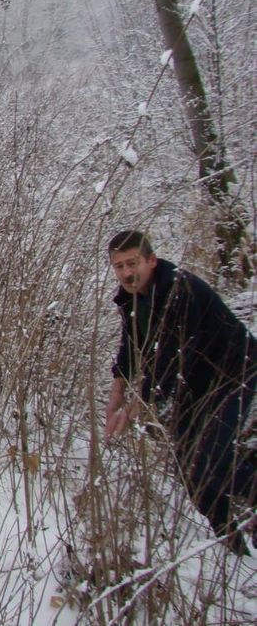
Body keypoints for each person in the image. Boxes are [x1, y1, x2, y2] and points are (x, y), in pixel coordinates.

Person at [104, 230, 257, 551]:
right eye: (119, 266)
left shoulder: (179, 289)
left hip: (233, 373)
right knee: (189, 467)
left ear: (151, 260)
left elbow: (174, 354)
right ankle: (234, 548)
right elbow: (131, 344)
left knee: (207, 460)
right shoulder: (131, 297)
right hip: (194, 385)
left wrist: (137, 404)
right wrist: (117, 392)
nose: (127, 273)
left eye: (133, 263)